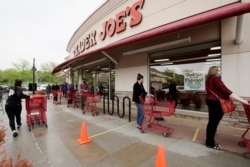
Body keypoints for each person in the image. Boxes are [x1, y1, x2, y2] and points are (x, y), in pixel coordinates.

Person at [205, 66, 249, 150]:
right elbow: (226, 91)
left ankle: (209, 140)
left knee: (211, 123)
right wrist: (242, 100)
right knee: (213, 123)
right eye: (219, 70)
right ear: (215, 71)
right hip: (216, 103)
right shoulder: (215, 79)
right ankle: (210, 143)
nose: (220, 71)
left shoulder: (208, 79)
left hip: (211, 101)